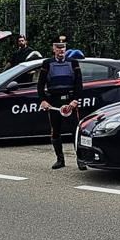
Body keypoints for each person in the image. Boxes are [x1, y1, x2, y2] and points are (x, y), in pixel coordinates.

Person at [37, 35, 84, 170]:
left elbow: (79, 84)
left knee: (75, 131)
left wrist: (75, 100)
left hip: (70, 101)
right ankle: (60, 159)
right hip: (54, 102)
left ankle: (80, 159)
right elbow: (40, 85)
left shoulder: (73, 62)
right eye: (58, 47)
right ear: (53, 48)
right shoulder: (47, 63)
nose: (61, 50)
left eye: (63, 47)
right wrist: (43, 101)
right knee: (55, 132)